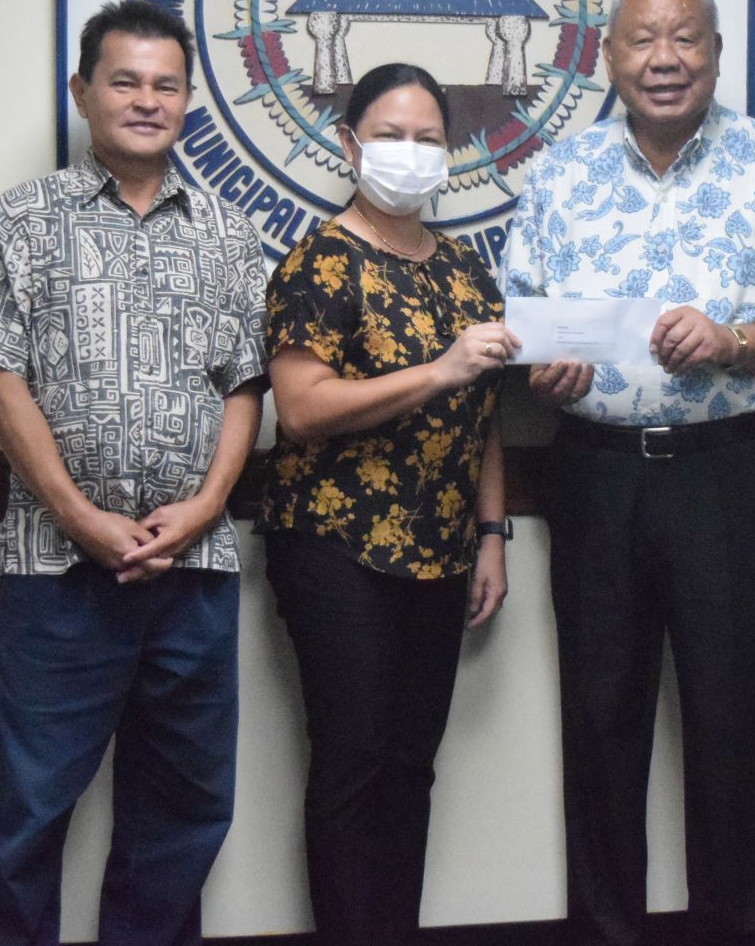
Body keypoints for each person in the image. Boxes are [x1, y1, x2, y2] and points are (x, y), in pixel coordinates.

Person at [502, 0, 755, 946]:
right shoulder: (561, 175)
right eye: (643, 41)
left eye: (686, 39)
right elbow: (520, 327)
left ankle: (739, 932)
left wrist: (735, 339)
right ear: (609, 55)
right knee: (600, 723)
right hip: (596, 474)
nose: (666, 60)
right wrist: (547, 369)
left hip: (730, 474)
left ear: (713, 48)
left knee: (736, 726)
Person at [0, 0, 268, 946]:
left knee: (182, 814)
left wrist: (208, 506)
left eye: (165, 84)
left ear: (188, 102)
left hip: (196, 574)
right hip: (58, 572)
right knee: (30, 810)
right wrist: (80, 516)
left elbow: (245, 384)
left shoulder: (230, 230)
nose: (145, 100)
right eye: (123, 81)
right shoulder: (21, 219)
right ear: (82, 92)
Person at [257, 63, 516, 946]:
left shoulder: (464, 269)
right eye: (390, 136)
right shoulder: (319, 260)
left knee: (411, 768)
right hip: (337, 548)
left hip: (441, 552)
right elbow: (299, 410)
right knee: (353, 767)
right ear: (348, 144)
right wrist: (439, 367)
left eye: (428, 139)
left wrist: (491, 533)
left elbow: (482, 415)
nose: (409, 154)